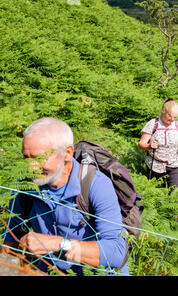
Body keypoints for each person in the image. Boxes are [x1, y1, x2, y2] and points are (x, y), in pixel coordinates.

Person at [1, 117, 128, 275]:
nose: (30, 167)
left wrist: (58, 244)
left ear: (67, 153)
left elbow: (116, 253)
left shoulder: (95, 185)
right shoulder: (25, 186)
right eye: (26, 157)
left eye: (38, 158)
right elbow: (11, 239)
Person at [139, 98, 178, 192]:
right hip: (155, 166)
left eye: (175, 117)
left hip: (175, 165)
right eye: (169, 116)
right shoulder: (153, 124)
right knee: (156, 195)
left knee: (175, 195)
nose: (172, 119)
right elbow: (141, 144)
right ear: (163, 111)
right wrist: (149, 146)